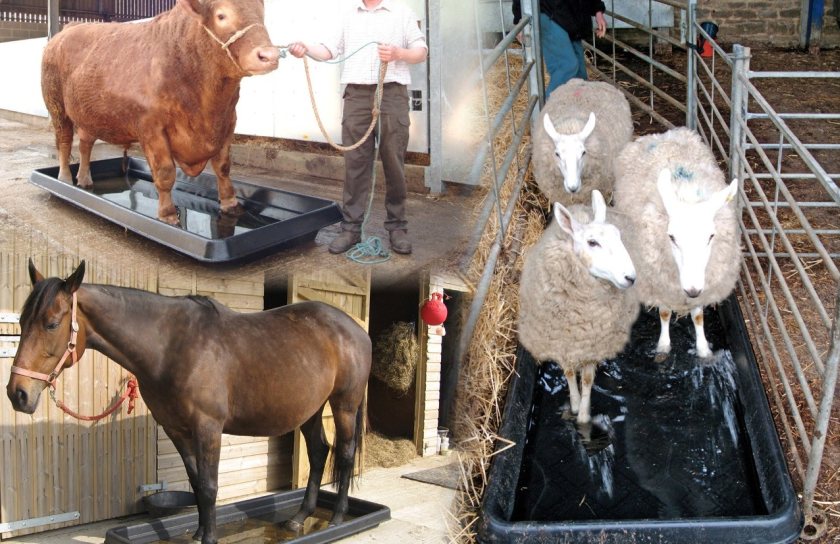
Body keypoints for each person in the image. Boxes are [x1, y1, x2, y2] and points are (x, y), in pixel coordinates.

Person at [289, 0, 428, 255]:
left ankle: (397, 227)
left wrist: (399, 54)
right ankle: (351, 228)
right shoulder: (347, 14)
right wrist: (306, 48)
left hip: (392, 92)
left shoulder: (401, 12)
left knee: (394, 162)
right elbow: (329, 51)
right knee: (355, 163)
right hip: (356, 95)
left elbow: (421, 51)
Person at [513, 0, 608, 96]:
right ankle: (549, 109)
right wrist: (519, 16)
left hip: (573, 17)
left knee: (580, 76)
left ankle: (573, 109)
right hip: (549, 11)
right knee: (567, 67)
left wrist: (598, 10)